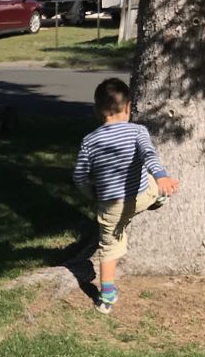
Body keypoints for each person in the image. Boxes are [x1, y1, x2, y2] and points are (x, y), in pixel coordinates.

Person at [73, 77, 180, 314]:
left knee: (108, 249)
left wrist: (92, 194)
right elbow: (149, 155)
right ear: (129, 107)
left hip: (110, 205)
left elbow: (79, 177)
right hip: (141, 196)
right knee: (151, 183)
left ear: (96, 110)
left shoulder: (89, 141)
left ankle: (107, 296)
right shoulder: (138, 131)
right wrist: (161, 176)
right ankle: (159, 198)